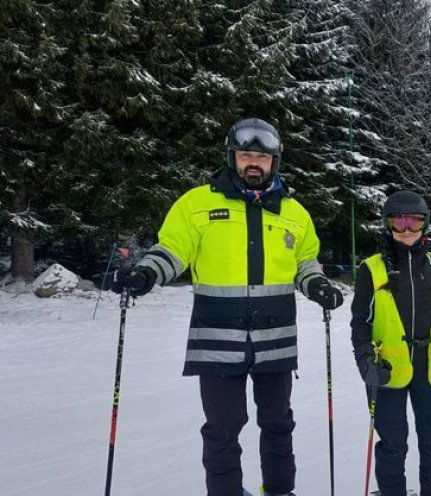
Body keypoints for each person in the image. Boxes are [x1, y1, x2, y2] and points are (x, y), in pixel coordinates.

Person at [111, 118, 344, 496]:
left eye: (262, 157)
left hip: (275, 338)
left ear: (275, 161)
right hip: (217, 337)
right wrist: (145, 274)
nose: (254, 163)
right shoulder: (197, 204)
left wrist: (317, 285)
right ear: (232, 157)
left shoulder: (295, 213)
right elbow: (172, 250)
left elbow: (305, 262)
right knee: (222, 428)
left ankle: (280, 491)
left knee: (278, 422)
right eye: (246, 155)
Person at [350, 190, 431, 496]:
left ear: (425, 225)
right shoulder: (371, 268)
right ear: (387, 225)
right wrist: (366, 360)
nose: (406, 231)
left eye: (414, 222)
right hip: (387, 370)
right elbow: (359, 324)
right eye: (399, 222)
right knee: (393, 445)